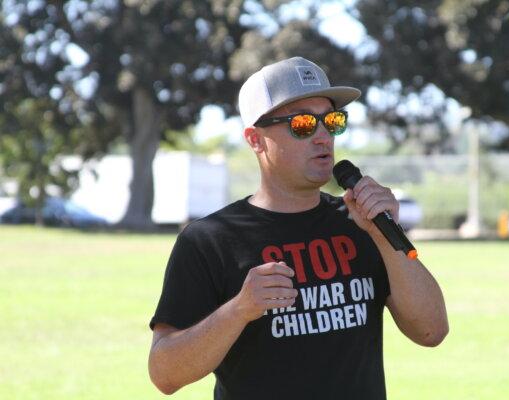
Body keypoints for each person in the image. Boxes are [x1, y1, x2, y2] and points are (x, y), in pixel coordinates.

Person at [148, 57, 448, 399]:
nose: (323, 137)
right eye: (303, 124)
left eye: (332, 121)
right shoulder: (209, 240)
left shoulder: (363, 224)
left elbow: (431, 331)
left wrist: (383, 236)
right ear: (255, 140)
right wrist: (240, 309)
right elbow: (164, 374)